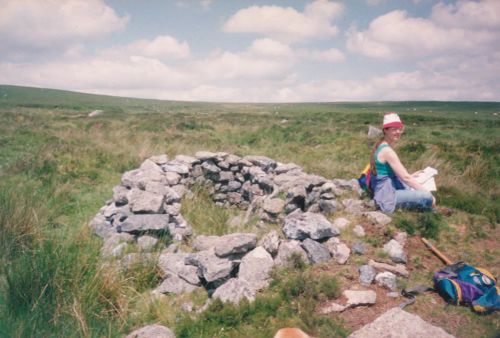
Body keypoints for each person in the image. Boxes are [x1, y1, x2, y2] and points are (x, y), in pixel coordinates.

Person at [370, 112, 435, 213]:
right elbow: (405, 178)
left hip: (387, 188)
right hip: (387, 195)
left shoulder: (383, 145)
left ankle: (429, 209)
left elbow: (393, 174)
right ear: (385, 130)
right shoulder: (387, 151)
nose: (398, 132)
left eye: (399, 129)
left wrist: (412, 175)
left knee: (418, 182)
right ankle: (431, 211)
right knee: (427, 196)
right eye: (394, 129)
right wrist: (429, 194)